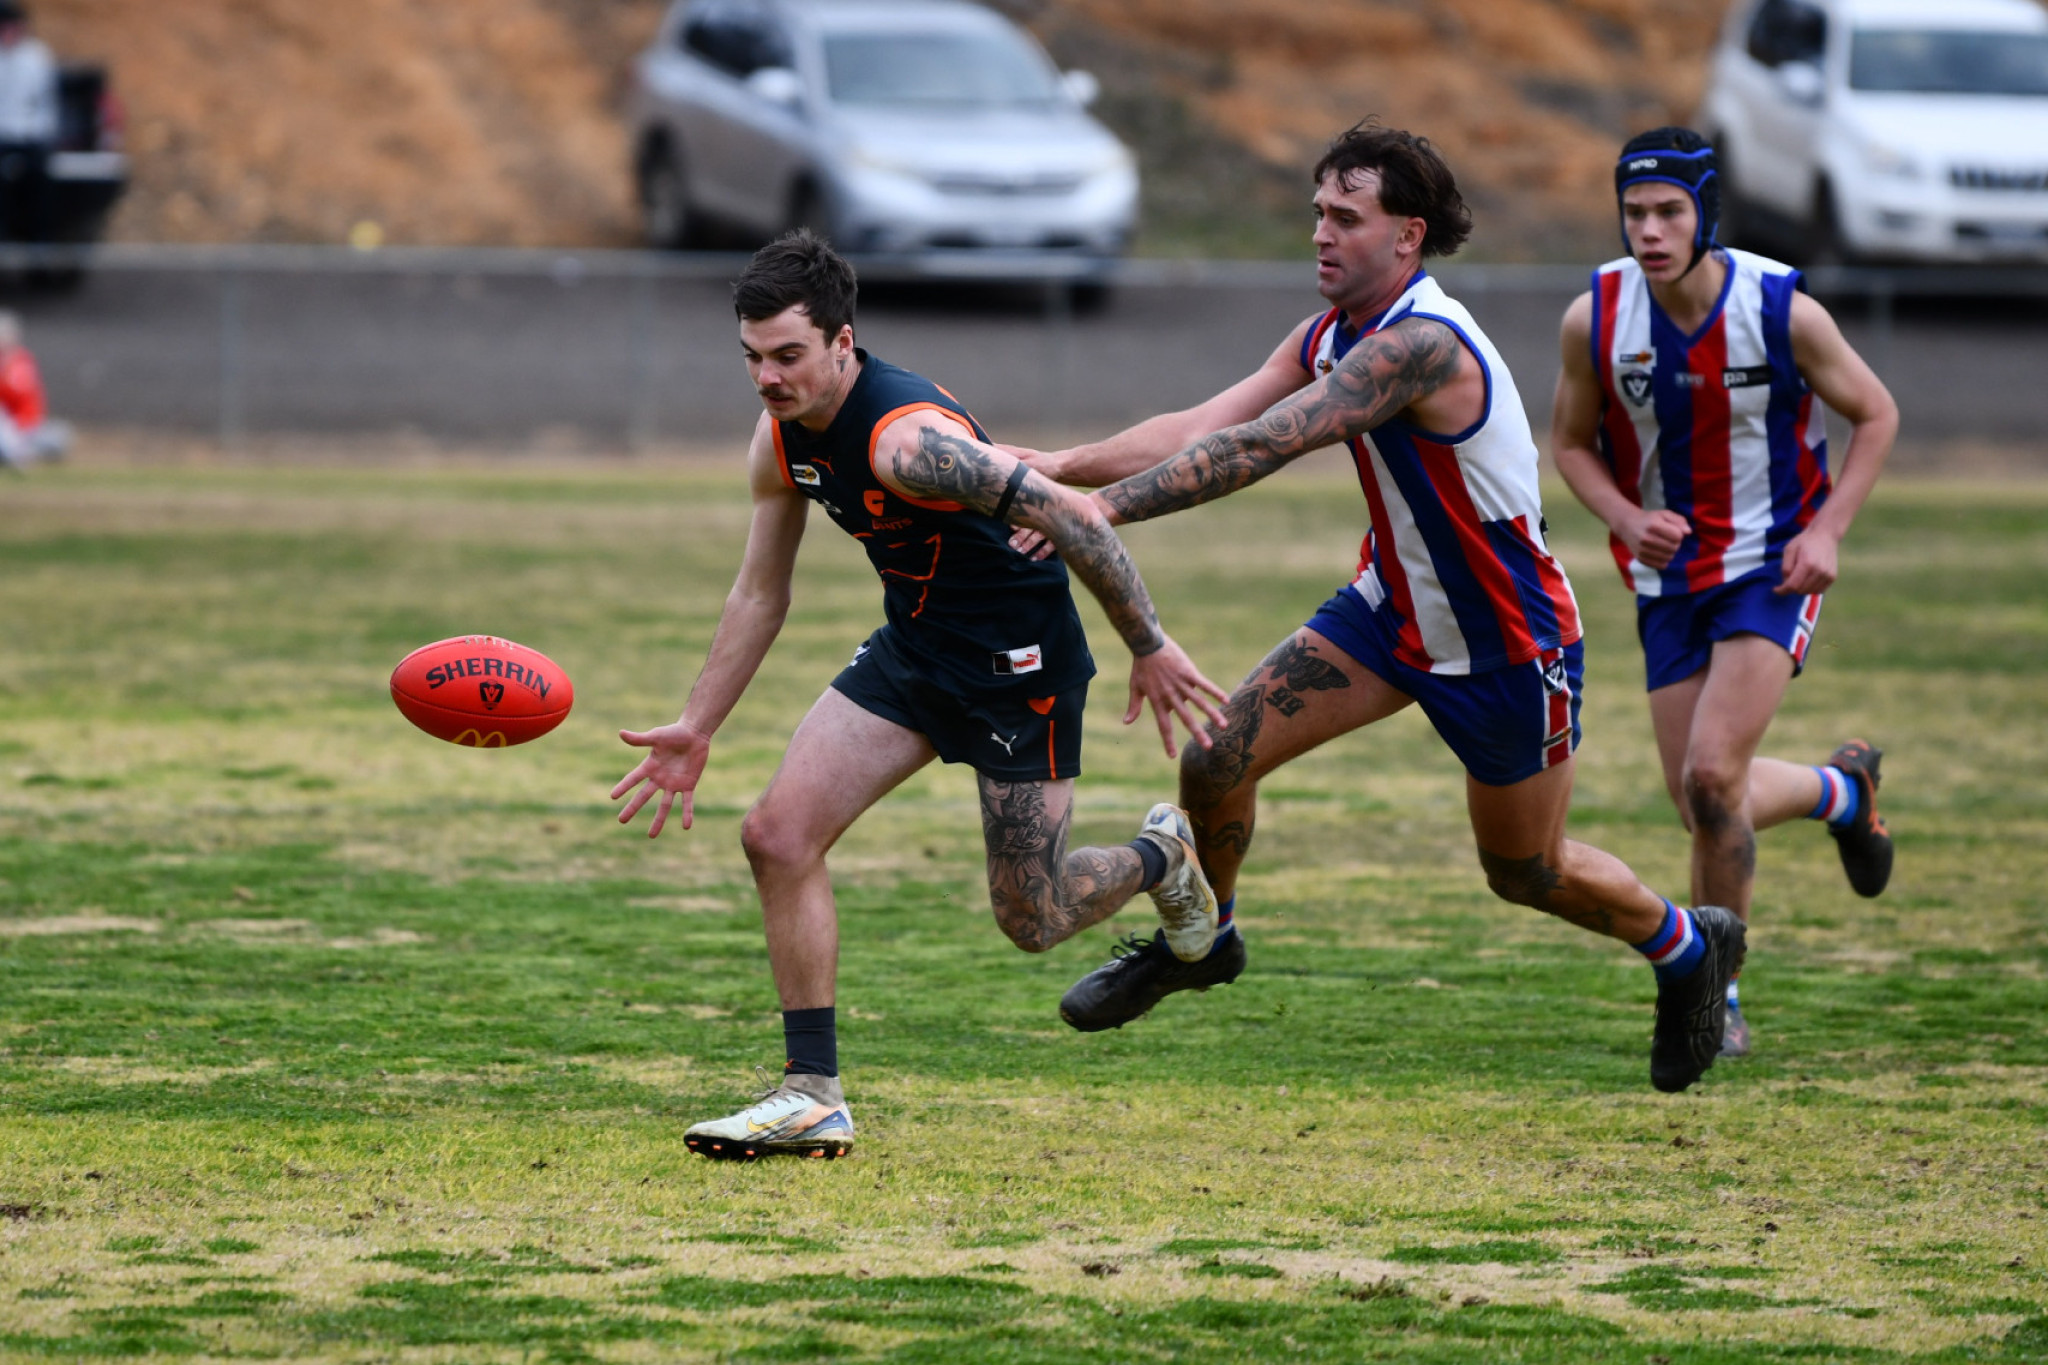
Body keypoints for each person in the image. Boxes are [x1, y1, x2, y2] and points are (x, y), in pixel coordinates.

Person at [1012, 122, 1743, 1095]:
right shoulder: (1331, 331)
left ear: (1407, 235)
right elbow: (1204, 422)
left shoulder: (1420, 346)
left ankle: (1688, 947)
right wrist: (1061, 468)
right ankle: (1204, 940)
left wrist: (1097, 511)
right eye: (1316, 212)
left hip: (1505, 648)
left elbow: (1264, 444)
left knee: (1525, 871)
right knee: (1215, 755)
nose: (1319, 233)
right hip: (1386, 615)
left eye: (1344, 218)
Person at [611, 231, 1228, 1160]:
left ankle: (1163, 854)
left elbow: (1068, 512)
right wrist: (697, 726)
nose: (769, 378)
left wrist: (1149, 643)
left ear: (843, 345)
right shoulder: (780, 438)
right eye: (752, 357)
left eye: (789, 355)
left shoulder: (908, 444)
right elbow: (760, 592)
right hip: (915, 652)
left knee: (1036, 915)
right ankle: (812, 1091)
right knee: (776, 834)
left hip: (1020, 669)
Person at [1550, 127, 1898, 1059]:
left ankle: (1722, 992)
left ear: (1708, 214)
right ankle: (1841, 791)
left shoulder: (1782, 308)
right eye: (1634, 213)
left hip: (1772, 564)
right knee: (1704, 799)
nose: (1650, 231)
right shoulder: (1598, 316)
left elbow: (1875, 413)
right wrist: (1625, 518)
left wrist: (1825, 531)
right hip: (1668, 580)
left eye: (1669, 212)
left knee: (1713, 776)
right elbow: (1571, 445)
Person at [0, 1, 57, 245]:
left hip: (31, 138)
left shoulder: (37, 57)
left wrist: (44, 134)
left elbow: (46, 102)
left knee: (40, 188)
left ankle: (39, 250)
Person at [0, 310, 70, 468]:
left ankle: (17, 454)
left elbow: (20, 394)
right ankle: (16, 453)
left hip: (23, 425)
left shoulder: (22, 361)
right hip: (8, 427)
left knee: (60, 436)